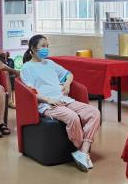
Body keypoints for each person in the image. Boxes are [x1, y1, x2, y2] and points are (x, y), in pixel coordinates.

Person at [20, 34, 101, 172]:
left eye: (47, 46)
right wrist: (48, 99)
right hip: (47, 104)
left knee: (94, 113)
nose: (46, 49)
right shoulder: (26, 68)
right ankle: (81, 148)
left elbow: (69, 74)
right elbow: (30, 91)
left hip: (64, 99)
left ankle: (83, 152)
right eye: (43, 46)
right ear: (33, 48)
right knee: (73, 118)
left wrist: (67, 84)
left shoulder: (50, 63)